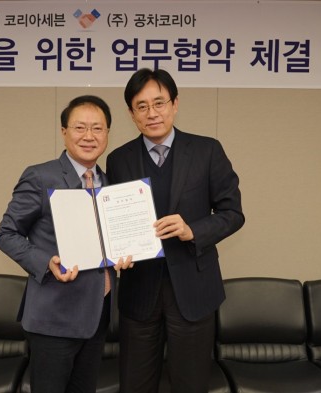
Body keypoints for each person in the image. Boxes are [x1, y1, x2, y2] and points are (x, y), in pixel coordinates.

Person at [106, 68, 244, 393]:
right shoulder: (118, 159)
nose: (152, 113)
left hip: (194, 290)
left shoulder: (207, 150)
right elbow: (111, 221)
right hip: (140, 291)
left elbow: (233, 213)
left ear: (175, 104)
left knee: (191, 385)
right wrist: (113, 251)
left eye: (159, 103)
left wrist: (192, 230)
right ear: (131, 113)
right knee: (135, 385)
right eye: (142, 106)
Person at [0, 95, 132, 393]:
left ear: (108, 134)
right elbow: (6, 234)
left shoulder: (110, 184)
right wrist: (45, 262)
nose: (89, 136)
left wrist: (123, 253)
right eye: (80, 127)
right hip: (53, 318)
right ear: (63, 132)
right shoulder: (40, 176)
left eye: (98, 128)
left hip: (97, 313)